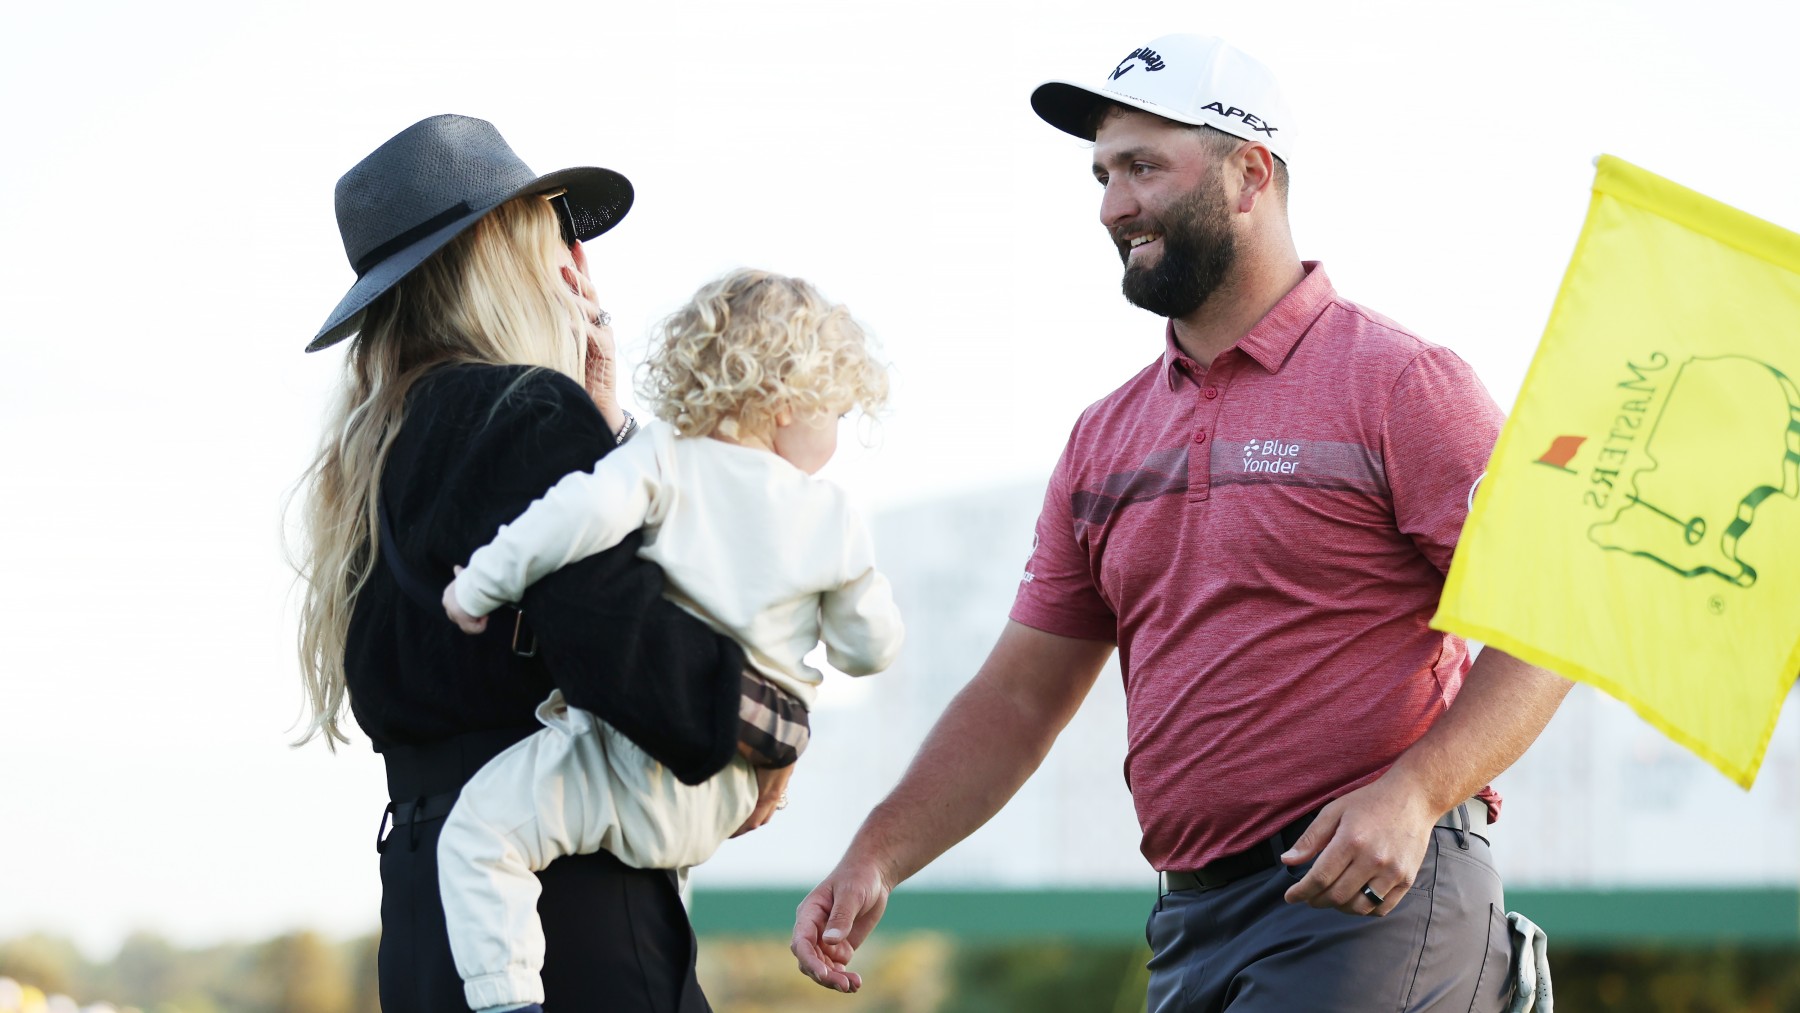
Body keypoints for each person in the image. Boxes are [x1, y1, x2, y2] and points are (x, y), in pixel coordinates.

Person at [790, 34, 1573, 1011]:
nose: (1114, 205)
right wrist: (878, 849)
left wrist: (1416, 789)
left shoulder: (1404, 384)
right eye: (1103, 174)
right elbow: (1022, 696)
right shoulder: (1104, 438)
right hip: (1191, 923)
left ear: (1250, 175)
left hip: (1374, 901)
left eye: (1144, 167)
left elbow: (1550, 622)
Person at [294, 114, 807, 1013]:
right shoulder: (523, 415)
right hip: (568, 916)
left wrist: (600, 438)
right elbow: (632, 653)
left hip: (426, 916)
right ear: (504, 249)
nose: (576, 259)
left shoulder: (373, 452)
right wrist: (774, 729)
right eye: (557, 229)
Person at [436, 268, 904, 1012]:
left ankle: (508, 1000)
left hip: (622, 759)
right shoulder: (831, 514)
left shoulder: (664, 454)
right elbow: (868, 649)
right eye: (837, 412)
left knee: (480, 834)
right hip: (731, 793)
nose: (839, 435)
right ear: (786, 400)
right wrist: (858, 590)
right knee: (661, 901)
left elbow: (568, 517)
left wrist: (478, 584)